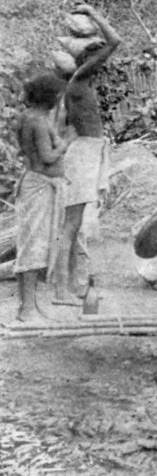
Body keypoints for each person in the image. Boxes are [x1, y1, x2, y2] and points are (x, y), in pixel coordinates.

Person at [54, 4, 122, 306]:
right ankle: (61, 289)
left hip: (86, 151)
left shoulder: (79, 82)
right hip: (84, 154)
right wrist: (93, 12)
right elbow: (115, 42)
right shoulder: (80, 78)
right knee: (71, 225)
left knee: (77, 224)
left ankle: (74, 284)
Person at [13, 74, 75, 321]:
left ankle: (28, 306)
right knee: (32, 246)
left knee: (32, 244)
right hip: (39, 187)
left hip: (36, 184)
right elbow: (48, 157)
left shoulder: (27, 117)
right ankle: (27, 308)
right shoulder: (37, 122)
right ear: (49, 97)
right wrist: (66, 142)